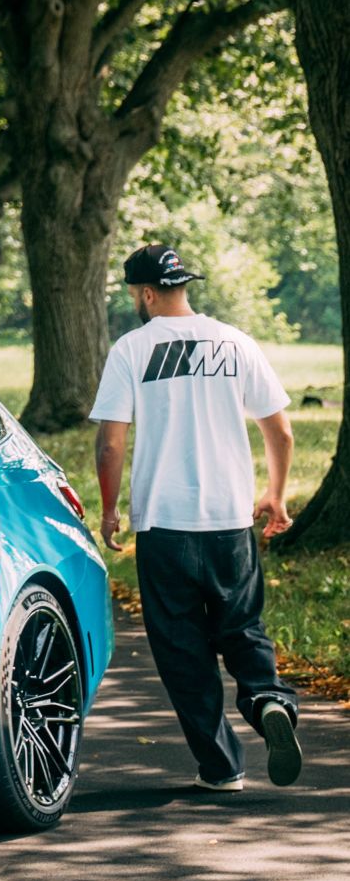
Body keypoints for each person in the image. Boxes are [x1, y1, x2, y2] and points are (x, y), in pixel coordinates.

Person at [90, 243, 302, 792]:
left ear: (146, 293)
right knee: (242, 626)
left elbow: (110, 444)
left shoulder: (131, 349)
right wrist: (275, 497)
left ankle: (222, 766)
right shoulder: (236, 342)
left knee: (183, 651)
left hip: (164, 523)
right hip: (230, 519)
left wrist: (111, 509)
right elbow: (279, 430)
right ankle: (268, 701)